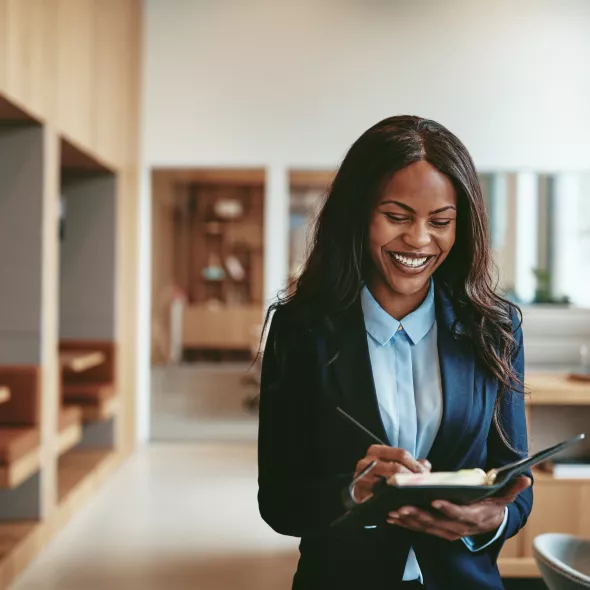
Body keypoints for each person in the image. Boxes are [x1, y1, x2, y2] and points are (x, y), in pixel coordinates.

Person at [257, 115, 533, 590]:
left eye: (441, 221)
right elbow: (279, 501)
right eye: (397, 216)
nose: (420, 240)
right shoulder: (301, 331)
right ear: (359, 214)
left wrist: (492, 519)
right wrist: (353, 492)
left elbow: (516, 486)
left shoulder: (495, 329)